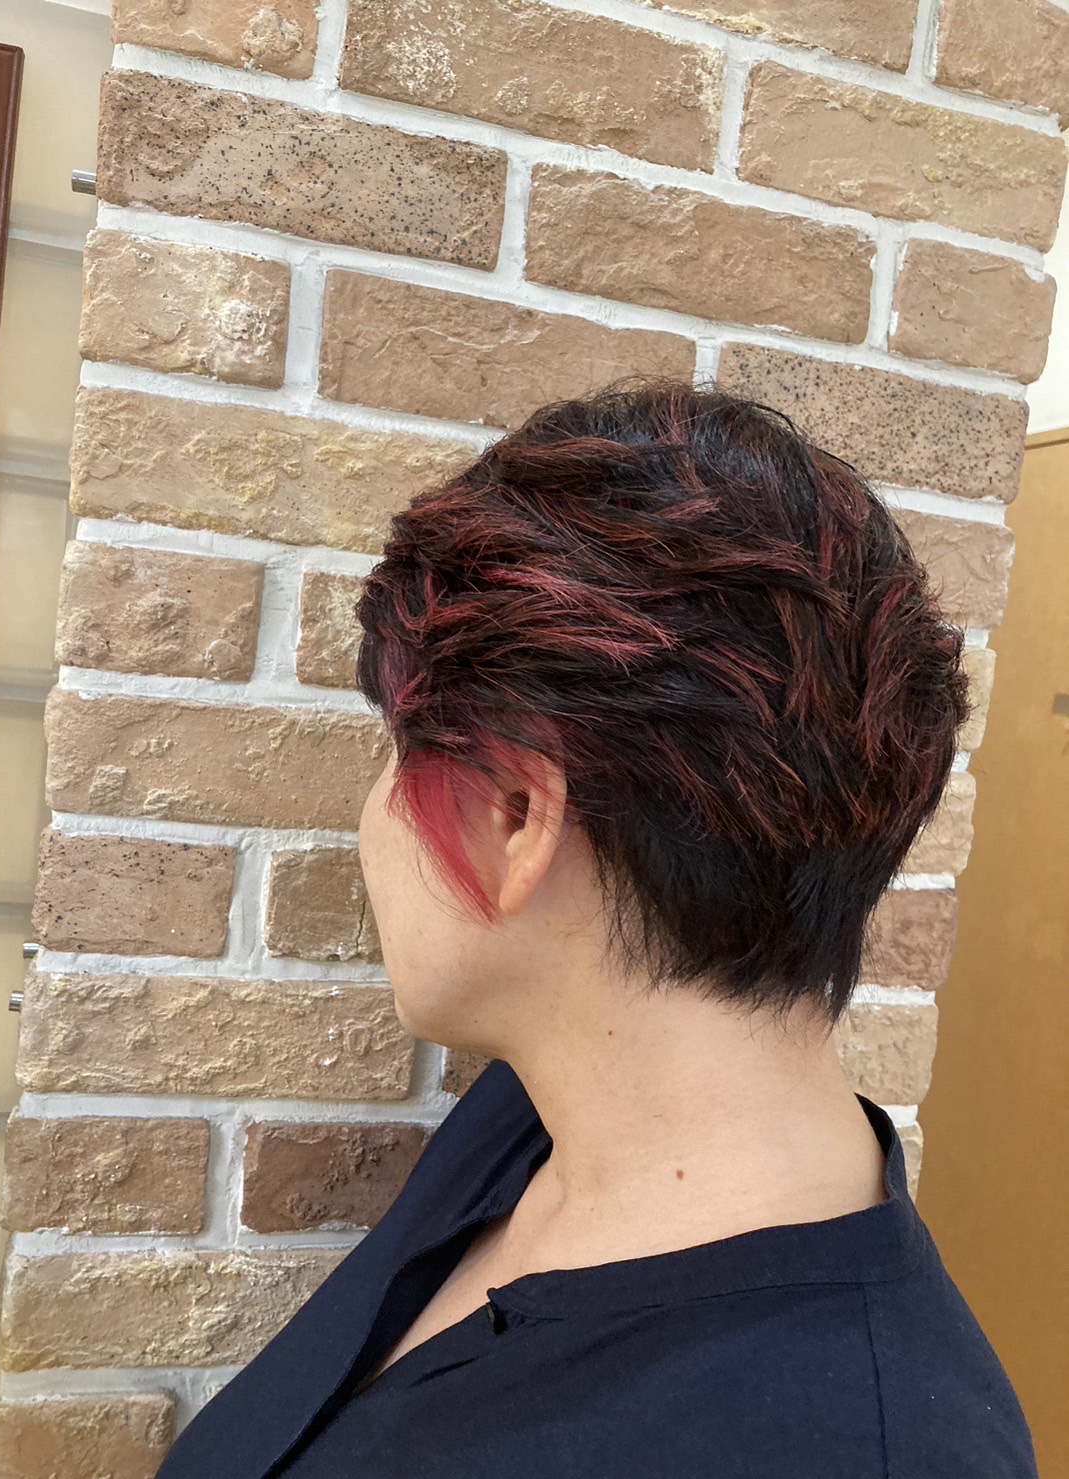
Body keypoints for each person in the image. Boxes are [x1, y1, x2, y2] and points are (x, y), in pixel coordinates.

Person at [154, 381, 1037, 1477]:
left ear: (515, 814)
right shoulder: (529, 1126)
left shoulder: (871, 1449)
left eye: (395, 751)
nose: (372, 811)